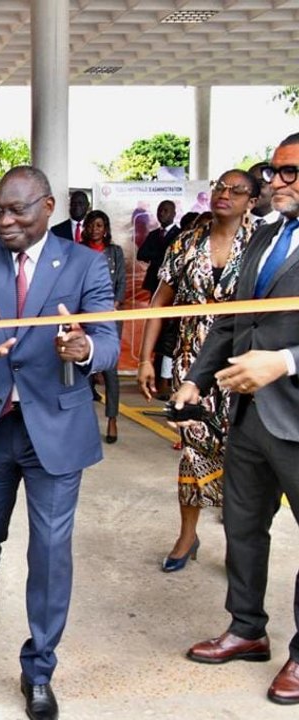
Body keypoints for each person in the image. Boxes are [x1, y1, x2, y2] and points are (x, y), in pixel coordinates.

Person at [0, 166, 119, 720]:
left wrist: (84, 350)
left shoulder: (87, 263)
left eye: (17, 211)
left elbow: (108, 339)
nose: (5, 221)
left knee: (49, 551)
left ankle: (39, 666)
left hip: (55, 431)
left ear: (47, 207)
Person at [174, 134, 299, 704]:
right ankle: (246, 628)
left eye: (291, 173)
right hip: (249, 417)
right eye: (275, 170)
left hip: (296, 416)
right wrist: (196, 377)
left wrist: (287, 361)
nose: (277, 181)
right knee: (244, 528)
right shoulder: (266, 237)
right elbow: (229, 322)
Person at [138, 168, 257, 572]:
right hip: (192, 365)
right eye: (220, 187)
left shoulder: (262, 243)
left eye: (236, 190)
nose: (225, 194)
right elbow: (159, 303)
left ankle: (239, 543)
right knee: (192, 449)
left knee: (243, 455)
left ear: (252, 201)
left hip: (246, 365)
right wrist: (144, 359)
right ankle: (188, 536)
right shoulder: (186, 244)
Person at [81, 209, 126, 443]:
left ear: (105, 229)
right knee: (84, 368)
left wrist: (110, 308)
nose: (95, 229)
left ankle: (112, 419)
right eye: (91, 225)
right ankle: (86, 421)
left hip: (110, 315)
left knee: (110, 369)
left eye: (99, 225)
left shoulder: (115, 252)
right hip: (83, 316)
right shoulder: (78, 250)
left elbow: (121, 283)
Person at [137, 200, 181, 397]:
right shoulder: (155, 235)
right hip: (156, 286)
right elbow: (142, 253)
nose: (162, 213)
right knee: (156, 329)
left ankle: (166, 380)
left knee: (168, 336)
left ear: (173, 213)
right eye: (159, 210)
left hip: (174, 290)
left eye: (165, 210)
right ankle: (152, 370)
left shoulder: (180, 235)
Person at [248, 161, 281, 230]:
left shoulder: (289, 224)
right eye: (249, 185)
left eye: (260, 184)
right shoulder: (232, 223)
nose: (253, 190)